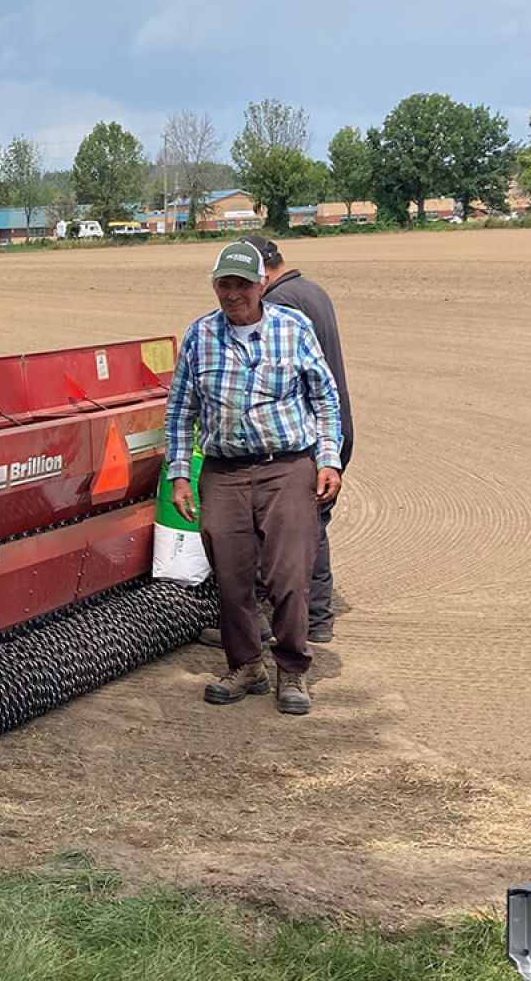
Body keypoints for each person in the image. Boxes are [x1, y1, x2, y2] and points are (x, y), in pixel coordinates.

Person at [165, 239, 342, 715]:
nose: (232, 293)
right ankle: (246, 665)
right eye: (224, 283)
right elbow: (180, 411)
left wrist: (328, 460)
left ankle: (292, 669)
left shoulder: (293, 328)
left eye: (242, 283)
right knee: (232, 577)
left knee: (287, 576)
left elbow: (325, 399)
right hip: (223, 471)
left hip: (286, 466)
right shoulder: (200, 336)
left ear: (262, 284)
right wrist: (180, 475)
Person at [250, 235, 353, 642]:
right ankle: (314, 617)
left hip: (308, 432)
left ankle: (310, 619)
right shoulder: (313, 291)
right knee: (313, 523)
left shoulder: (282, 305)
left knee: (296, 528)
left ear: (261, 273)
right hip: (338, 425)